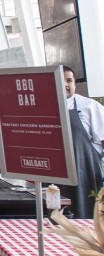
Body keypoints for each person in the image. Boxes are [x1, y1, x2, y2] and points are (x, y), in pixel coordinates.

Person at [59, 66, 104, 219]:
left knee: (86, 221)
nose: (65, 84)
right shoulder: (46, 107)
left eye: (69, 80)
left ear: (74, 84)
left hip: (85, 176)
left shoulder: (90, 106)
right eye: (60, 80)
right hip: (56, 179)